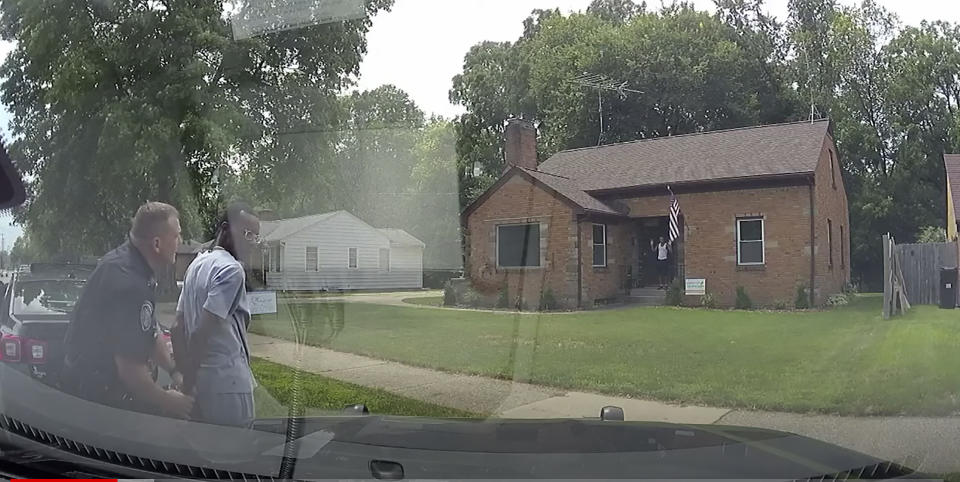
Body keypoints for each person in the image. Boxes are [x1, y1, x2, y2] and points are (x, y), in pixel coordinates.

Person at [62, 202, 193, 418]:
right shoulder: (128, 281)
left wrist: (173, 370)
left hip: (100, 387)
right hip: (95, 396)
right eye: (176, 236)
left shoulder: (135, 266)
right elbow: (129, 369)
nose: (180, 242)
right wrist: (167, 400)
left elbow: (150, 331)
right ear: (157, 243)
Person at [172, 201, 260, 427]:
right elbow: (202, 332)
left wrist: (186, 378)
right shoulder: (231, 269)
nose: (251, 242)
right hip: (228, 385)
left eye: (255, 236)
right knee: (235, 454)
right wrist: (188, 381)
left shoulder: (196, 265)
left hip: (202, 385)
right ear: (224, 229)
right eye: (246, 233)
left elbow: (177, 328)